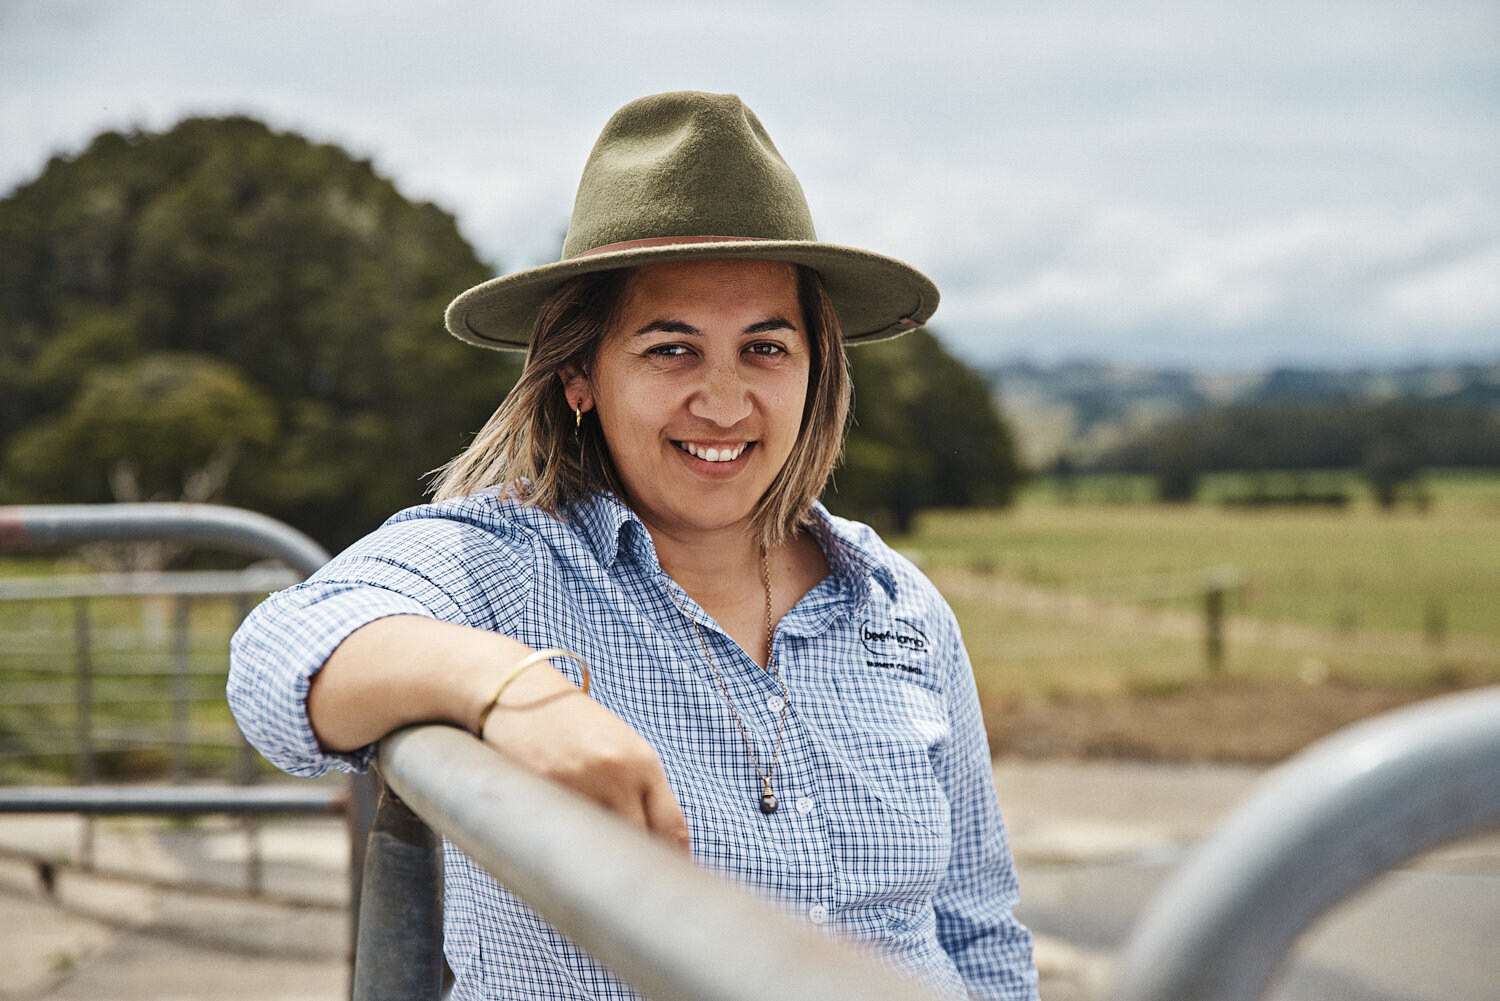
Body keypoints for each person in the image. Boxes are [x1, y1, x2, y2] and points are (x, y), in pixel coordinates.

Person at [228, 91, 1038, 1000]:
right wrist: (517, 694)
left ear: (817, 369)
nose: (724, 402)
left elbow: (978, 929)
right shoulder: (506, 561)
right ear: (579, 374)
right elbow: (277, 658)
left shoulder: (899, 605)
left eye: (765, 348)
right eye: (670, 350)